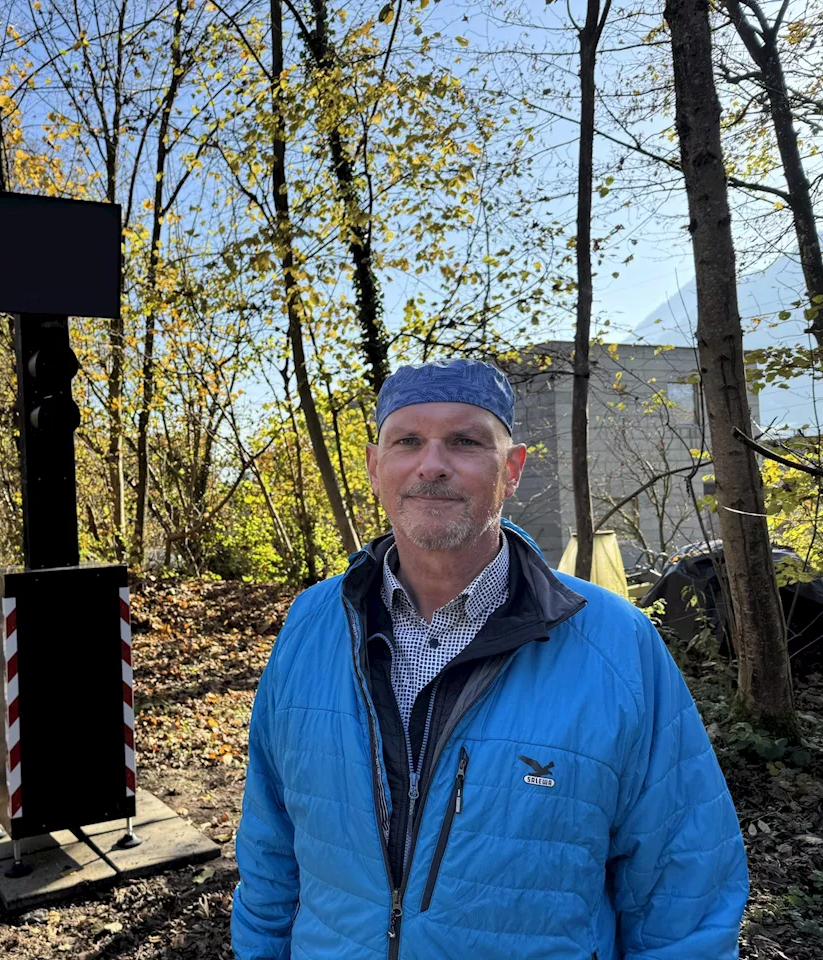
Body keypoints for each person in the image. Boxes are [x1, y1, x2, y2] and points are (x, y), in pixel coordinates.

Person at [230, 358, 747, 959]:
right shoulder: (313, 623)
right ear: (376, 467)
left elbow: (682, 884)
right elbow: (270, 839)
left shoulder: (615, 644)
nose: (432, 465)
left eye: (464, 441)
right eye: (408, 441)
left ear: (511, 470)